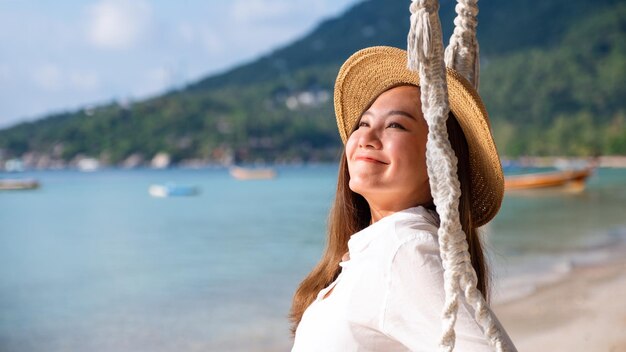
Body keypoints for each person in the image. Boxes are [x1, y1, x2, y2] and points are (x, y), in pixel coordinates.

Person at [289, 46, 516, 351]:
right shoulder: (378, 249)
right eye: (364, 123)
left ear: (441, 160)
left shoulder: (403, 247)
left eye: (395, 125)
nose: (366, 138)